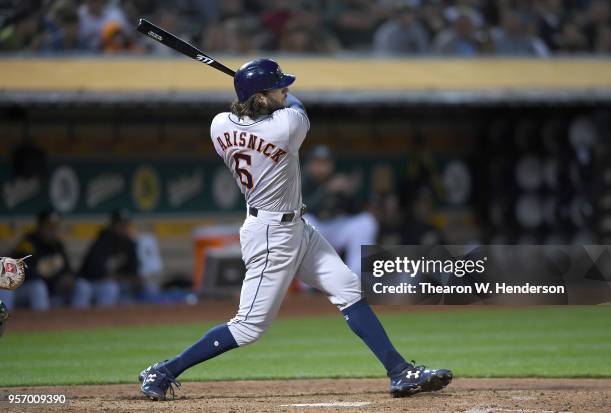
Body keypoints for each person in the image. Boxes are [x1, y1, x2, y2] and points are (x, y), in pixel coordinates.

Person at [139, 58, 452, 400]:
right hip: (272, 235)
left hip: (294, 227)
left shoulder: (218, 126)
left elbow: (253, 110)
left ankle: (400, 372)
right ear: (260, 99)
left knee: (347, 288)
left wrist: (259, 91)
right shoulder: (285, 126)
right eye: (279, 86)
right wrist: (268, 94)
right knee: (248, 327)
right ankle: (164, 370)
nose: (286, 89)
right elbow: (296, 105)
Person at [302, 145, 378, 275]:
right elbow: (303, 208)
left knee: (367, 221)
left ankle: (356, 275)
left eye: (325, 162)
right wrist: (326, 190)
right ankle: (309, 281)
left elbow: (355, 211)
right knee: (304, 221)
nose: (321, 167)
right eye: (318, 162)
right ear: (310, 165)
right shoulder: (301, 180)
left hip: (335, 229)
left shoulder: (337, 179)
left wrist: (349, 192)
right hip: (315, 230)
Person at [0, 210, 72, 311]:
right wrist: (56, 281)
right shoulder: (28, 245)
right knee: (38, 287)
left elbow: (68, 271)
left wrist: (67, 279)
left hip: (50, 292)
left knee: (76, 288)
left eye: (54, 228)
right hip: (20, 291)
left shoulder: (58, 246)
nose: (52, 231)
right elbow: (30, 275)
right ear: (40, 226)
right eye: (49, 227)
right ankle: (41, 324)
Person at [72, 209, 139, 308]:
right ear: (113, 225)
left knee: (113, 288)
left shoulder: (129, 245)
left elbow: (134, 272)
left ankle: (104, 321)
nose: (124, 228)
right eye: (120, 224)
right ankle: (74, 320)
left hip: (112, 284)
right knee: (85, 288)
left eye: (126, 225)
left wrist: (119, 277)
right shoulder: (102, 241)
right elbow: (92, 270)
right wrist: (111, 276)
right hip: (90, 282)